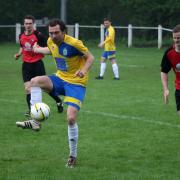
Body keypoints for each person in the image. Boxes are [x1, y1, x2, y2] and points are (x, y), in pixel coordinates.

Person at [16, 19, 94, 168]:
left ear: (63, 32)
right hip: (59, 78)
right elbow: (50, 50)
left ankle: (72, 156)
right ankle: (35, 121)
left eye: (56, 32)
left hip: (76, 83)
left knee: (71, 118)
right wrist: (38, 49)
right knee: (35, 81)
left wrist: (83, 71)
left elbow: (90, 57)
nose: (53, 35)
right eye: (51, 33)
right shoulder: (51, 41)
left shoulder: (74, 43)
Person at [14, 15, 63, 116]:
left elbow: (49, 47)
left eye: (30, 23)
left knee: (45, 88)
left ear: (33, 24)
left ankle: (58, 100)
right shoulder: (21, 35)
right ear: (24, 24)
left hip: (37, 64)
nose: (28, 25)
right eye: (26, 23)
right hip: (26, 65)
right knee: (28, 88)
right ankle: (32, 111)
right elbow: (22, 47)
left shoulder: (39, 35)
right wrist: (19, 54)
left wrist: (38, 49)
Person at [161, 24, 180, 115]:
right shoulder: (169, 53)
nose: (177, 40)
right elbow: (164, 71)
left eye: (179, 38)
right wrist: (165, 89)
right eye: (175, 38)